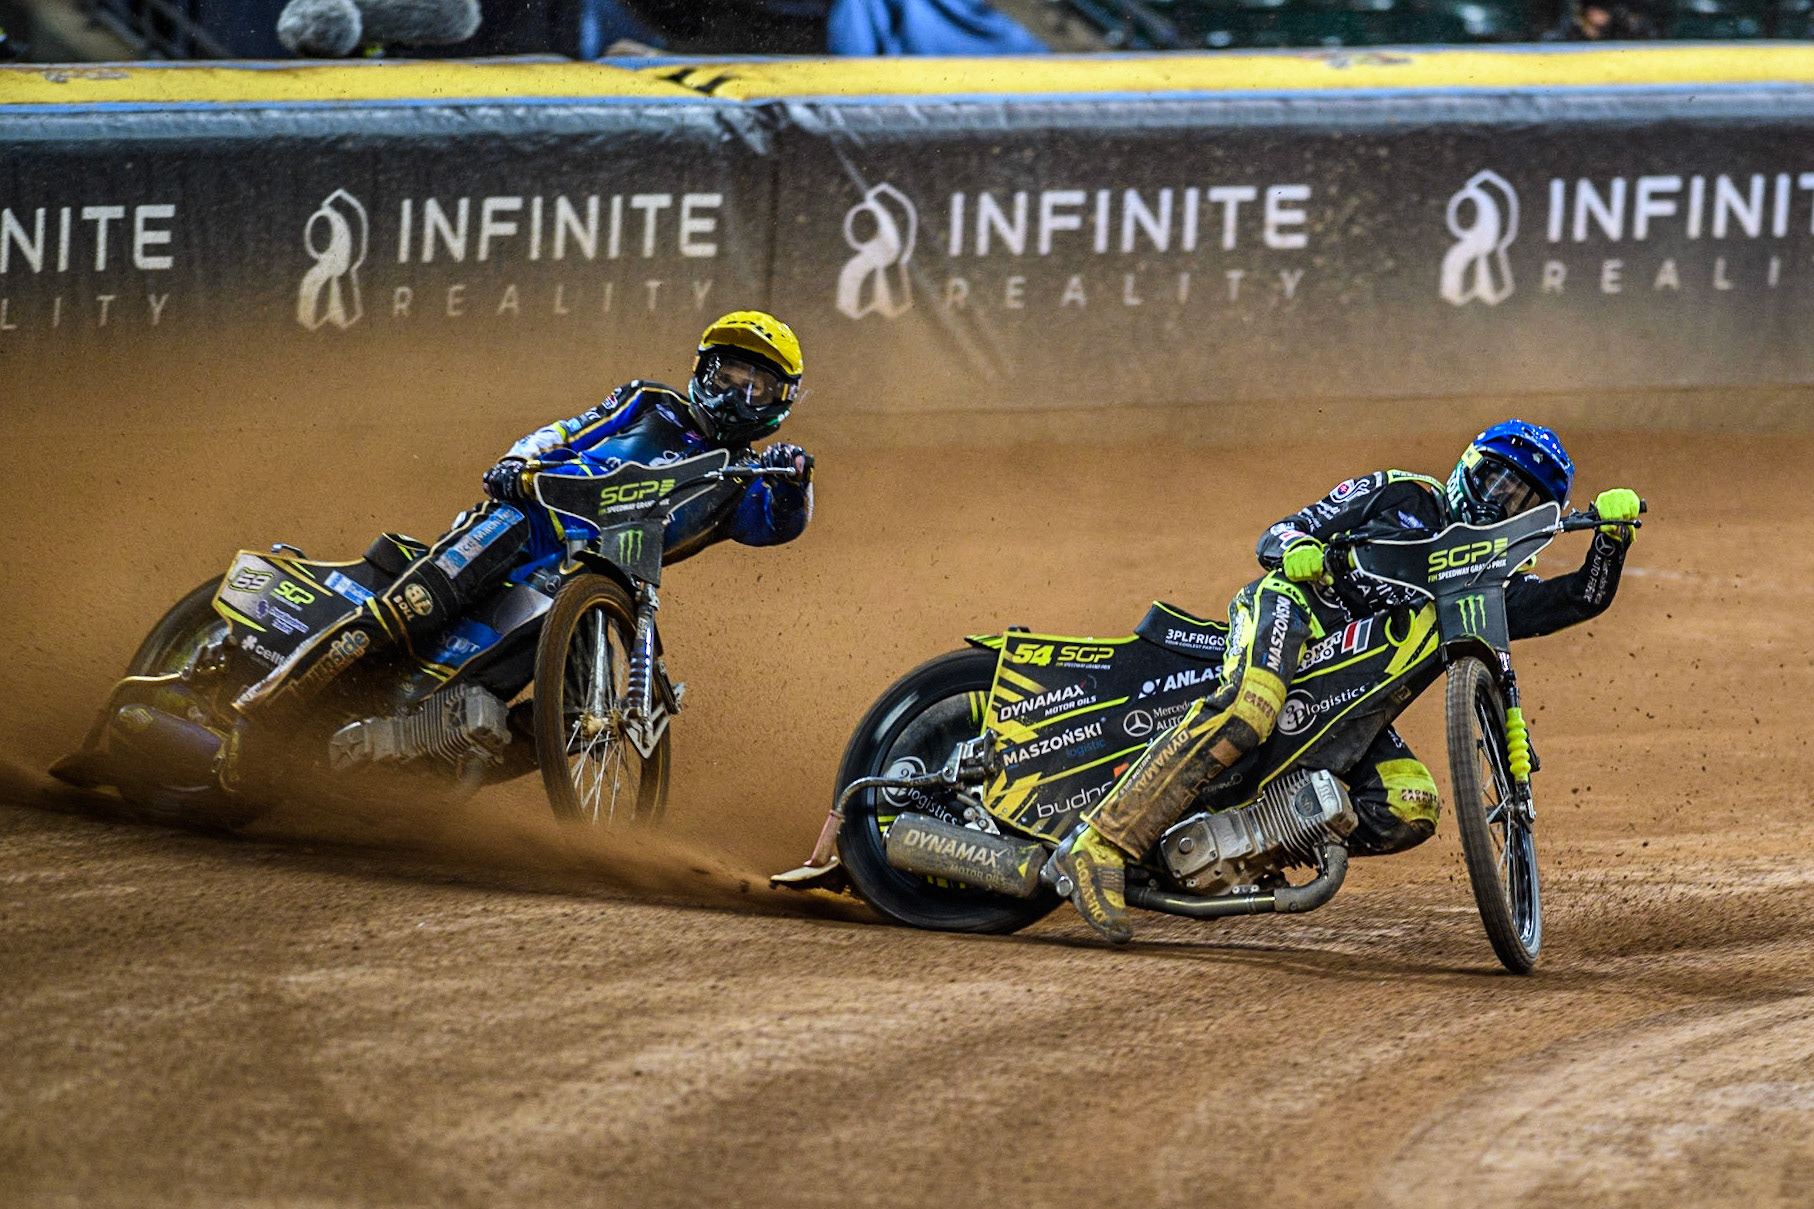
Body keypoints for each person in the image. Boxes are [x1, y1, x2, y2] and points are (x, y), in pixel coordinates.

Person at [1049, 419, 1643, 943]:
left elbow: (1579, 599)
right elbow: (1280, 533)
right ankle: (1097, 845)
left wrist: (1610, 541)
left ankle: (1242, 845)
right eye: (1494, 480)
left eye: (1521, 502)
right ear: (1467, 467)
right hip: (1293, 612)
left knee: (1410, 805)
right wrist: (1303, 551)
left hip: (1347, 716)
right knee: (1251, 707)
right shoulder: (1402, 491)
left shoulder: (1488, 593)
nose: (1498, 503)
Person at [233, 310, 814, 720]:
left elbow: (779, 525)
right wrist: (519, 461)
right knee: (407, 611)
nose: (739, 393)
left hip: (598, 582)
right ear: (704, 369)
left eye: (758, 387)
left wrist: (793, 479)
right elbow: (567, 430)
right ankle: (262, 708)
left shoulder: (745, 483)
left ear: (780, 402)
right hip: (527, 521)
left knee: (566, 718)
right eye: (730, 376)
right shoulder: (649, 401)